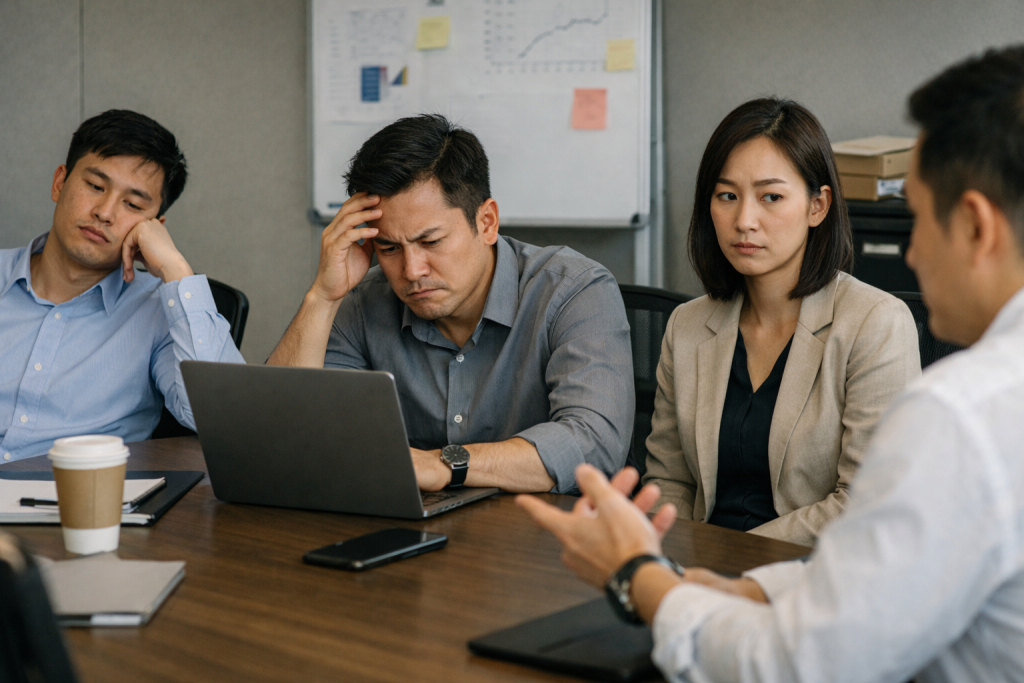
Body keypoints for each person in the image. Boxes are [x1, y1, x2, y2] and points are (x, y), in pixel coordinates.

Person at [519, 44, 1024, 682]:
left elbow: (808, 656)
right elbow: (879, 582)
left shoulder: (958, 411)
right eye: (726, 196)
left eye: (917, 219)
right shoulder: (691, 324)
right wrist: (720, 583)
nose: (912, 254)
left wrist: (639, 578)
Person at [267, 114, 633, 494]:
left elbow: (594, 445)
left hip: (548, 538)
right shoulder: (364, 301)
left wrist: (445, 465)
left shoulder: (574, 290)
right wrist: (323, 297)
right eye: (389, 248)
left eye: (430, 242)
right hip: (412, 531)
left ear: (487, 221)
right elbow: (275, 437)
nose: (411, 271)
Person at [641, 98, 920, 546]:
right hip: (696, 574)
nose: (744, 221)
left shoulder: (875, 323)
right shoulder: (687, 326)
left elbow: (865, 500)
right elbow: (668, 483)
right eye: (727, 196)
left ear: (817, 206)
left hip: (811, 582)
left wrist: (733, 565)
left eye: (771, 197)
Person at [0, 110, 244, 463]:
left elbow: (225, 421)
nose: (105, 212)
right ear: (59, 183)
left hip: (80, 505)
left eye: (132, 204)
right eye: (95, 186)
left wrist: (176, 269)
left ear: (155, 226)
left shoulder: (160, 312)